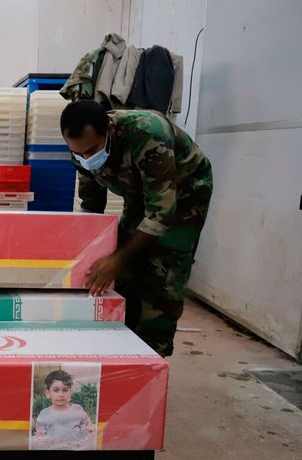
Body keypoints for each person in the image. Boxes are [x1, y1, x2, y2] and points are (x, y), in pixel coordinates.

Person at [60, 100, 213, 357]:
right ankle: (125, 346)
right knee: (125, 272)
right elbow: (91, 204)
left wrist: (116, 259)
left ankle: (153, 357)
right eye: (79, 153)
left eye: (92, 150)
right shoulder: (80, 149)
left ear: (109, 130)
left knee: (164, 273)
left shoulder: (148, 134)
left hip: (185, 194)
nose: (86, 158)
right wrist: (87, 253)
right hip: (139, 194)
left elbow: (162, 213)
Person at [32, 370, 96, 450]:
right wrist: (39, 436)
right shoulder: (44, 414)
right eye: (56, 390)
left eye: (65, 390)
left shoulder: (77, 409)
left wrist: (88, 430)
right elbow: (40, 437)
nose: (61, 395)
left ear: (70, 393)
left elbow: (88, 427)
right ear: (48, 393)